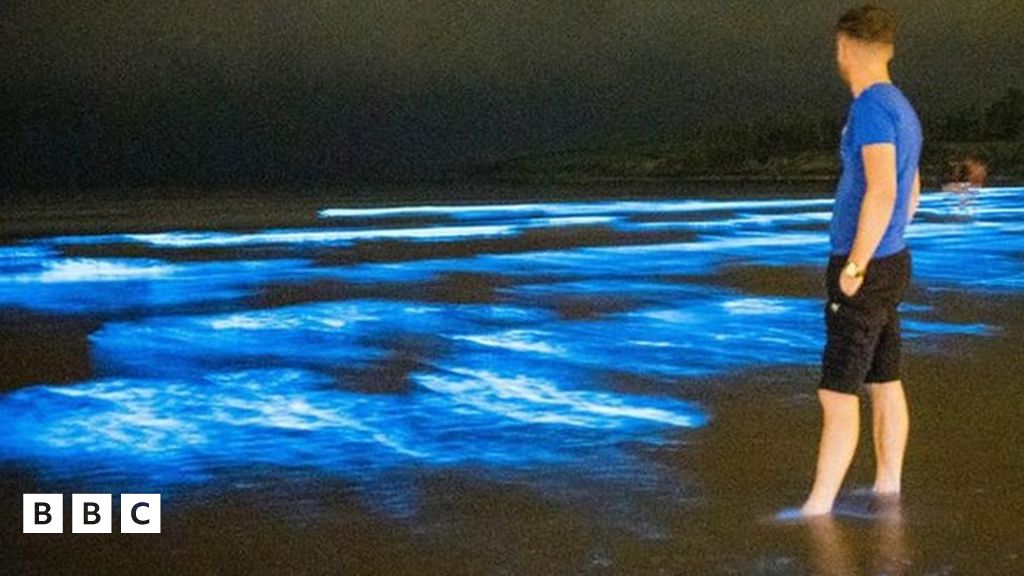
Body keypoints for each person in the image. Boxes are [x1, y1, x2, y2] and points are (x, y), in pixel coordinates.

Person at [800, 4, 923, 517]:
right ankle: (887, 489)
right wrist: (890, 241)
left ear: (847, 46)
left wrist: (855, 265)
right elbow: (910, 188)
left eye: (837, 47)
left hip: (867, 266)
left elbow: (881, 189)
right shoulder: (901, 107)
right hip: (891, 261)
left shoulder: (872, 106)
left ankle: (817, 510)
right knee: (884, 381)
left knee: (838, 391)